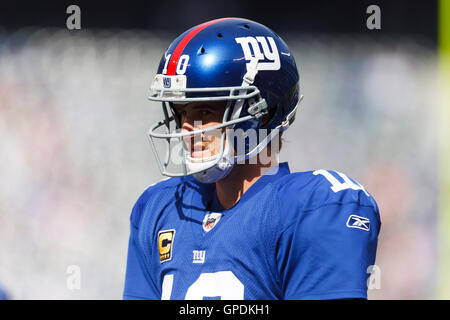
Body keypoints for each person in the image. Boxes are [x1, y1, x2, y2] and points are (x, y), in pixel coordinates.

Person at [123, 17, 381, 300]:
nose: (187, 128)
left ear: (264, 114)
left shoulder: (314, 208)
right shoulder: (162, 208)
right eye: (183, 112)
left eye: (205, 113)